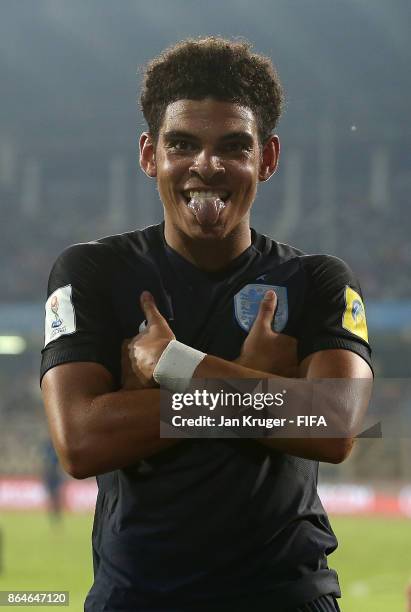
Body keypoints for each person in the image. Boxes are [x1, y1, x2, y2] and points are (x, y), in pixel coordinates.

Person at [40, 37, 373, 612]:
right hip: (136, 598)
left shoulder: (318, 280)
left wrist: (178, 368)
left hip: (286, 598)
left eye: (233, 147)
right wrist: (257, 386)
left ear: (266, 159)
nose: (207, 166)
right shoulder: (93, 272)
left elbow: (333, 424)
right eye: (183, 145)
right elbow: (81, 439)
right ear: (149, 154)